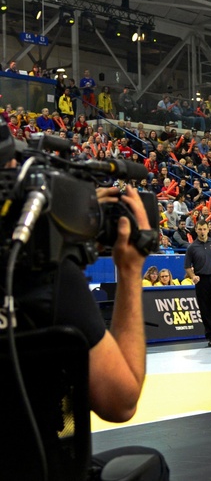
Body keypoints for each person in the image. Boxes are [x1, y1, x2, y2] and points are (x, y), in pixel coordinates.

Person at [2, 156, 169, 478]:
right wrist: (131, 269)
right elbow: (120, 403)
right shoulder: (51, 282)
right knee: (151, 463)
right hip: (42, 468)